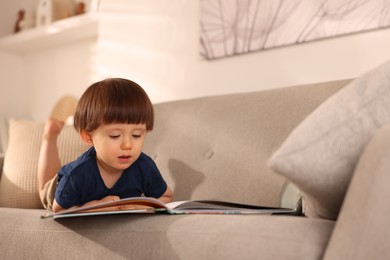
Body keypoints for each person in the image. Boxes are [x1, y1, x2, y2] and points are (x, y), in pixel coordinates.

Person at [38, 78, 173, 212]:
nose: (127, 145)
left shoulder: (144, 166)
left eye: (136, 135)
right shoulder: (76, 175)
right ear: (88, 136)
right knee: (44, 188)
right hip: (58, 191)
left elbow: (165, 196)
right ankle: (50, 136)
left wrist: (142, 206)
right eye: (115, 135)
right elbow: (59, 209)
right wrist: (97, 206)